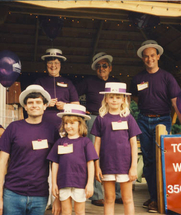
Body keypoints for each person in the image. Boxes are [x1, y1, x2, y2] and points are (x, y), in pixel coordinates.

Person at [130, 40, 181, 213]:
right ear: (143, 58)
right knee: (149, 161)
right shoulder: (138, 78)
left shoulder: (167, 77)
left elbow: (176, 103)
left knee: (161, 160)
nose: (149, 59)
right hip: (142, 120)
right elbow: (133, 98)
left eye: (152, 55)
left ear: (158, 56)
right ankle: (153, 197)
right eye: (146, 56)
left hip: (162, 121)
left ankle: (161, 198)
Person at [0, 85, 61, 215]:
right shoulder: (13, 128)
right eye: (30, 103)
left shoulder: (52, 130)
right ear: (25, 107)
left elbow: (56, 165)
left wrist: (57, 198)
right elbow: (1, 163)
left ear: (45, 106)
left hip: (40, 195)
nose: (34, 105)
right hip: (12, 194)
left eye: (38, 102)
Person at [75, 52, 122, 206]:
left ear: (110, 68)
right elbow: (72, 93)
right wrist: (82, 109)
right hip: (94, 119)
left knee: (114, 154)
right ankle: (97, 195)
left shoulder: (116, 83)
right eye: (99, 66)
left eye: (104, 66)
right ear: (96, 69)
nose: (102, 68)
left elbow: (125, 100)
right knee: (93, 156)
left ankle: (117, 193)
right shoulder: (88, 82)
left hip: (113, 119)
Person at [91, 82, 141, 215]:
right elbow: (97, 144)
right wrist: (97, 166)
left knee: (127, 198)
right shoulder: (100, 119)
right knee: (109, 198)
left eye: (118, 97)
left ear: (123, 99)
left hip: (125, 166)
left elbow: (133, 143)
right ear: (106, 98)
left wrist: (133, 167)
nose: (114, 100)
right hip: (107, 165)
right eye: (111, 97)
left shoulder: (129, 118)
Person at [47, 104, 98, 215]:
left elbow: (90, 163)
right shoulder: (60, 142)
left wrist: (90, 183)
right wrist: (54, 183)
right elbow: (54, 163)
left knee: (80, 212)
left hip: (80, 183)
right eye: (66, 123)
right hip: (63, 182)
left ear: (80, 124)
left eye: (72, 123)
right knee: (66, 211)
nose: (68, 126)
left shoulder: (86, 142)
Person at [34, 48, 80, 129]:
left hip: (65, 124)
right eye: (50, 62)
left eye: (56, 63)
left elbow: (77, 104)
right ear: (46, 64)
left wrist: (65, 106)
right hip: (43, 123)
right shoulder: (39, 82)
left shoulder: (68, 83)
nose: (53, 66)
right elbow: (32, 103)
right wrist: (46, 103)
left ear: (60, 65)